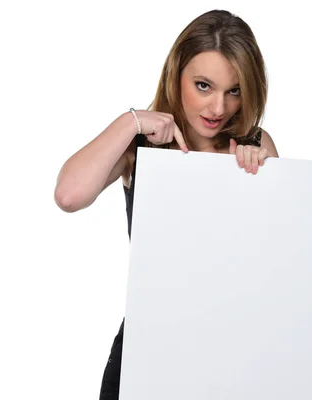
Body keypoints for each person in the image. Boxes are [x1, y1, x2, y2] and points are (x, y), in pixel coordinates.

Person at [53, 9, 279, 400]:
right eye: (204, 86)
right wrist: (131, 123)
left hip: (233, 354)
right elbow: (69, 195)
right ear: (176, 75)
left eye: (234, 90)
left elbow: (279, 265)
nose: (218, 108)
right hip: (147, 350)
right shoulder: (138, 148)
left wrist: (260, 175)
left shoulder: (256, 145)